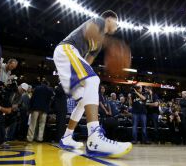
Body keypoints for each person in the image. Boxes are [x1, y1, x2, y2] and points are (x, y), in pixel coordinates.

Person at [53, 10, 132, 157]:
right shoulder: (99, 21)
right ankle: (94, 138)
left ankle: (67, 137)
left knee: (85, 99)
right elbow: (90, 31)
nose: (117, 27)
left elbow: (87, 61)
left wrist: (81, 78)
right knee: (93, 80)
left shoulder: (99, 45)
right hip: (66, 49)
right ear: (109, 19)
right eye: (117, 23)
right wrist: (113, 45)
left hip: (71, 56)